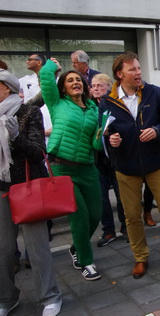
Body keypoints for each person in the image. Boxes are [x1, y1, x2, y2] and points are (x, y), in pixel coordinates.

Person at [99, 52, 160, 279]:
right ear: (120, 74)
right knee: (131, 215)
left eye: (139, 68)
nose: (138, 72)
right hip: (125, 167)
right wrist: (111, 140)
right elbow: (103, 131)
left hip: (156, 164)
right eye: (133, 69)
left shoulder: (155, 93)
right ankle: (140, 258)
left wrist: (157, 131)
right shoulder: (107, 101)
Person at [0, 69, 63, 316]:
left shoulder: (28, 112)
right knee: (3, 248)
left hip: (27, 187)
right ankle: (6, 298)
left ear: (6, 87)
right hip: (1, 187)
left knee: (37, 248)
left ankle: (50, 296)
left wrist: (15, 136)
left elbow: (38, 152)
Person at [40, 59, 103, 281]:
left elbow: (95, 144)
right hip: (62, 167)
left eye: (78, 79)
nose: (75, 82)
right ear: (64, 86)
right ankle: (86, 261)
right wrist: (51, 65)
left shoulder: (94, 108)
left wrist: (103, 135)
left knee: (96, 213)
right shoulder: (57, 103)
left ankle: (77, 246)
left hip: (87, 167)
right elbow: (46, 80)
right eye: (70, 80)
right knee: (80, 216)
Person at [90, 73, 128, 247]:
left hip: (117, 157)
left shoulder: (115, 104)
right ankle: (108, 230)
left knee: (122, 196)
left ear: (109, 86)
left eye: (100, 85)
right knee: (102, 198)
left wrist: (111, 132)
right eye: (93, 86)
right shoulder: (88, 107)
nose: (95, 88)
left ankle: (126, 228)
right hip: (98, 160)